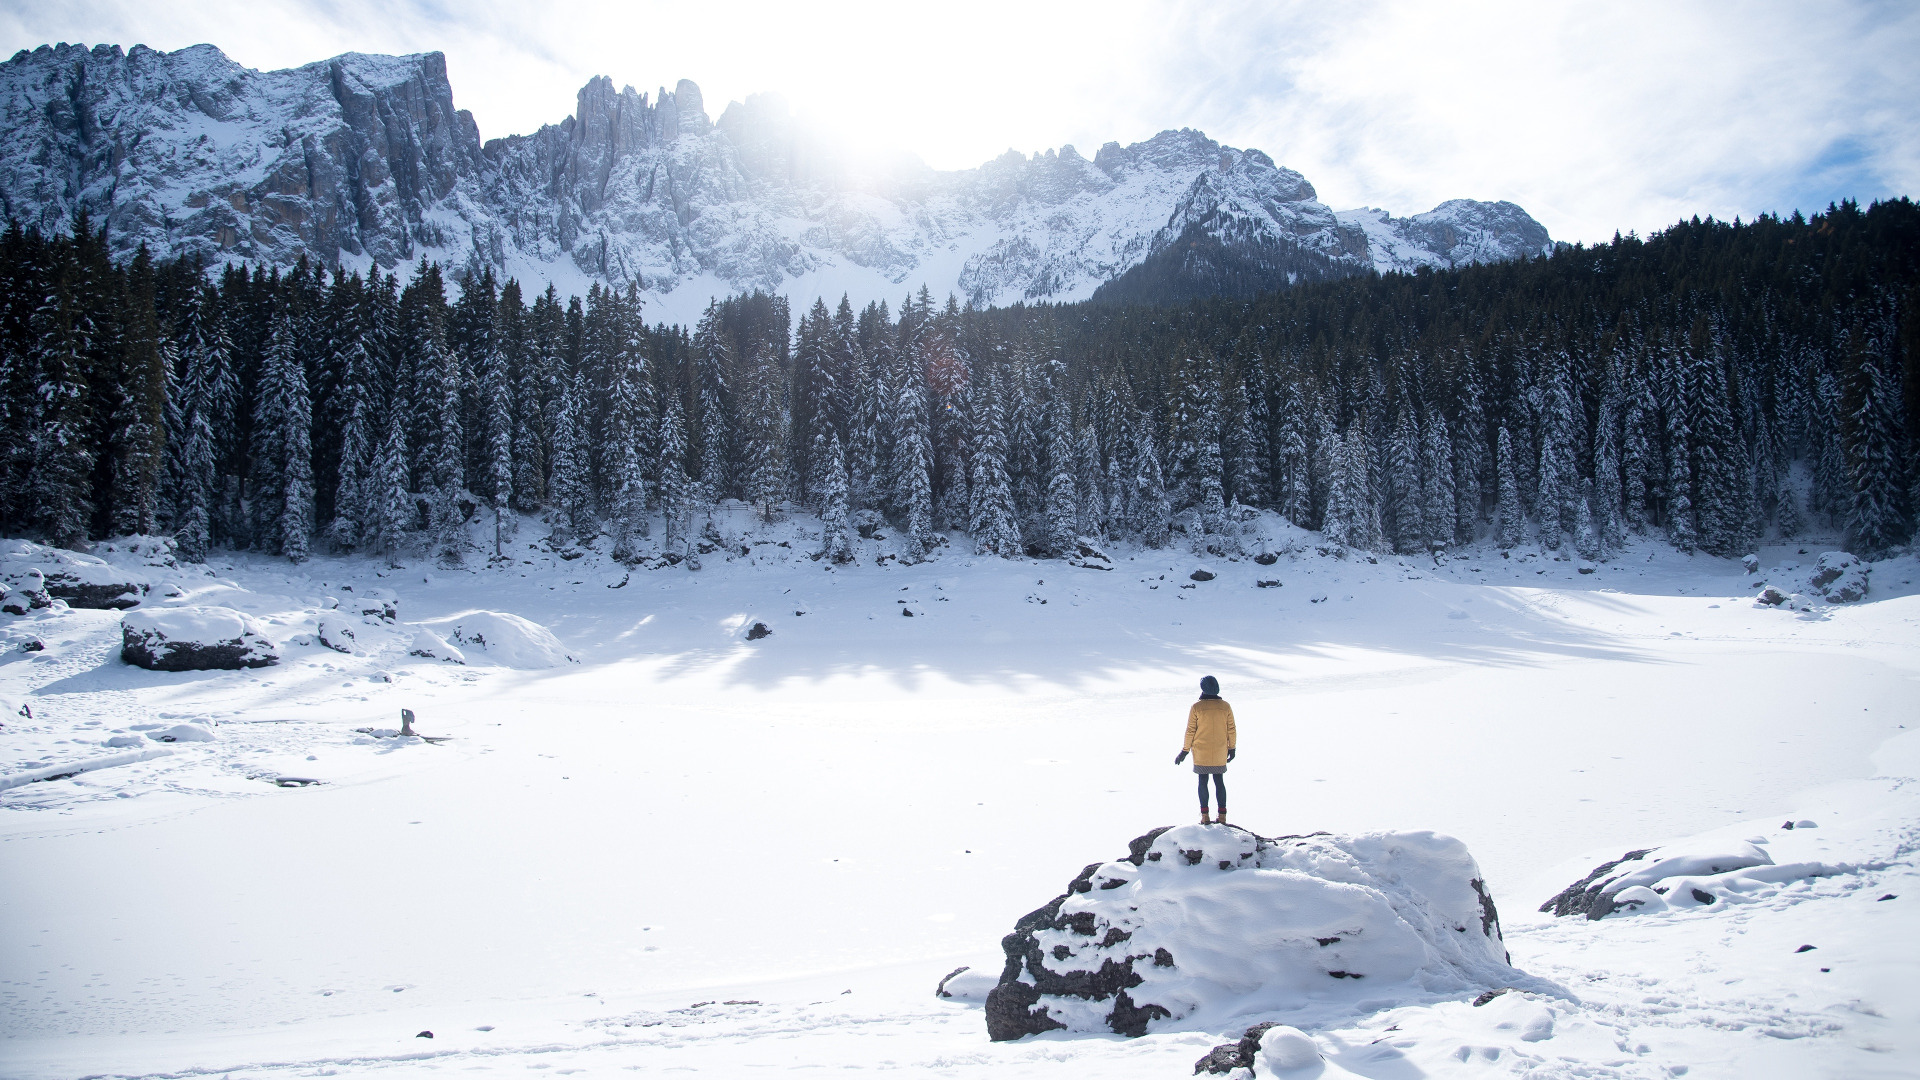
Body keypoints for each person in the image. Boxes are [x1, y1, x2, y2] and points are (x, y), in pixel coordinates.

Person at [1175, 675, 1236, 824]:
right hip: (1220, 749)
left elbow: (1190, 730)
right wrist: (1232, 748)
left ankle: (1205, 816)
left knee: (1203, 780)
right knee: (1219, 780)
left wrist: (1184, 751)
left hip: (1201, 750)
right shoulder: (1225, 706)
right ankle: (1222, 816)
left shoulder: (1197, 707)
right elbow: (1231, 729)